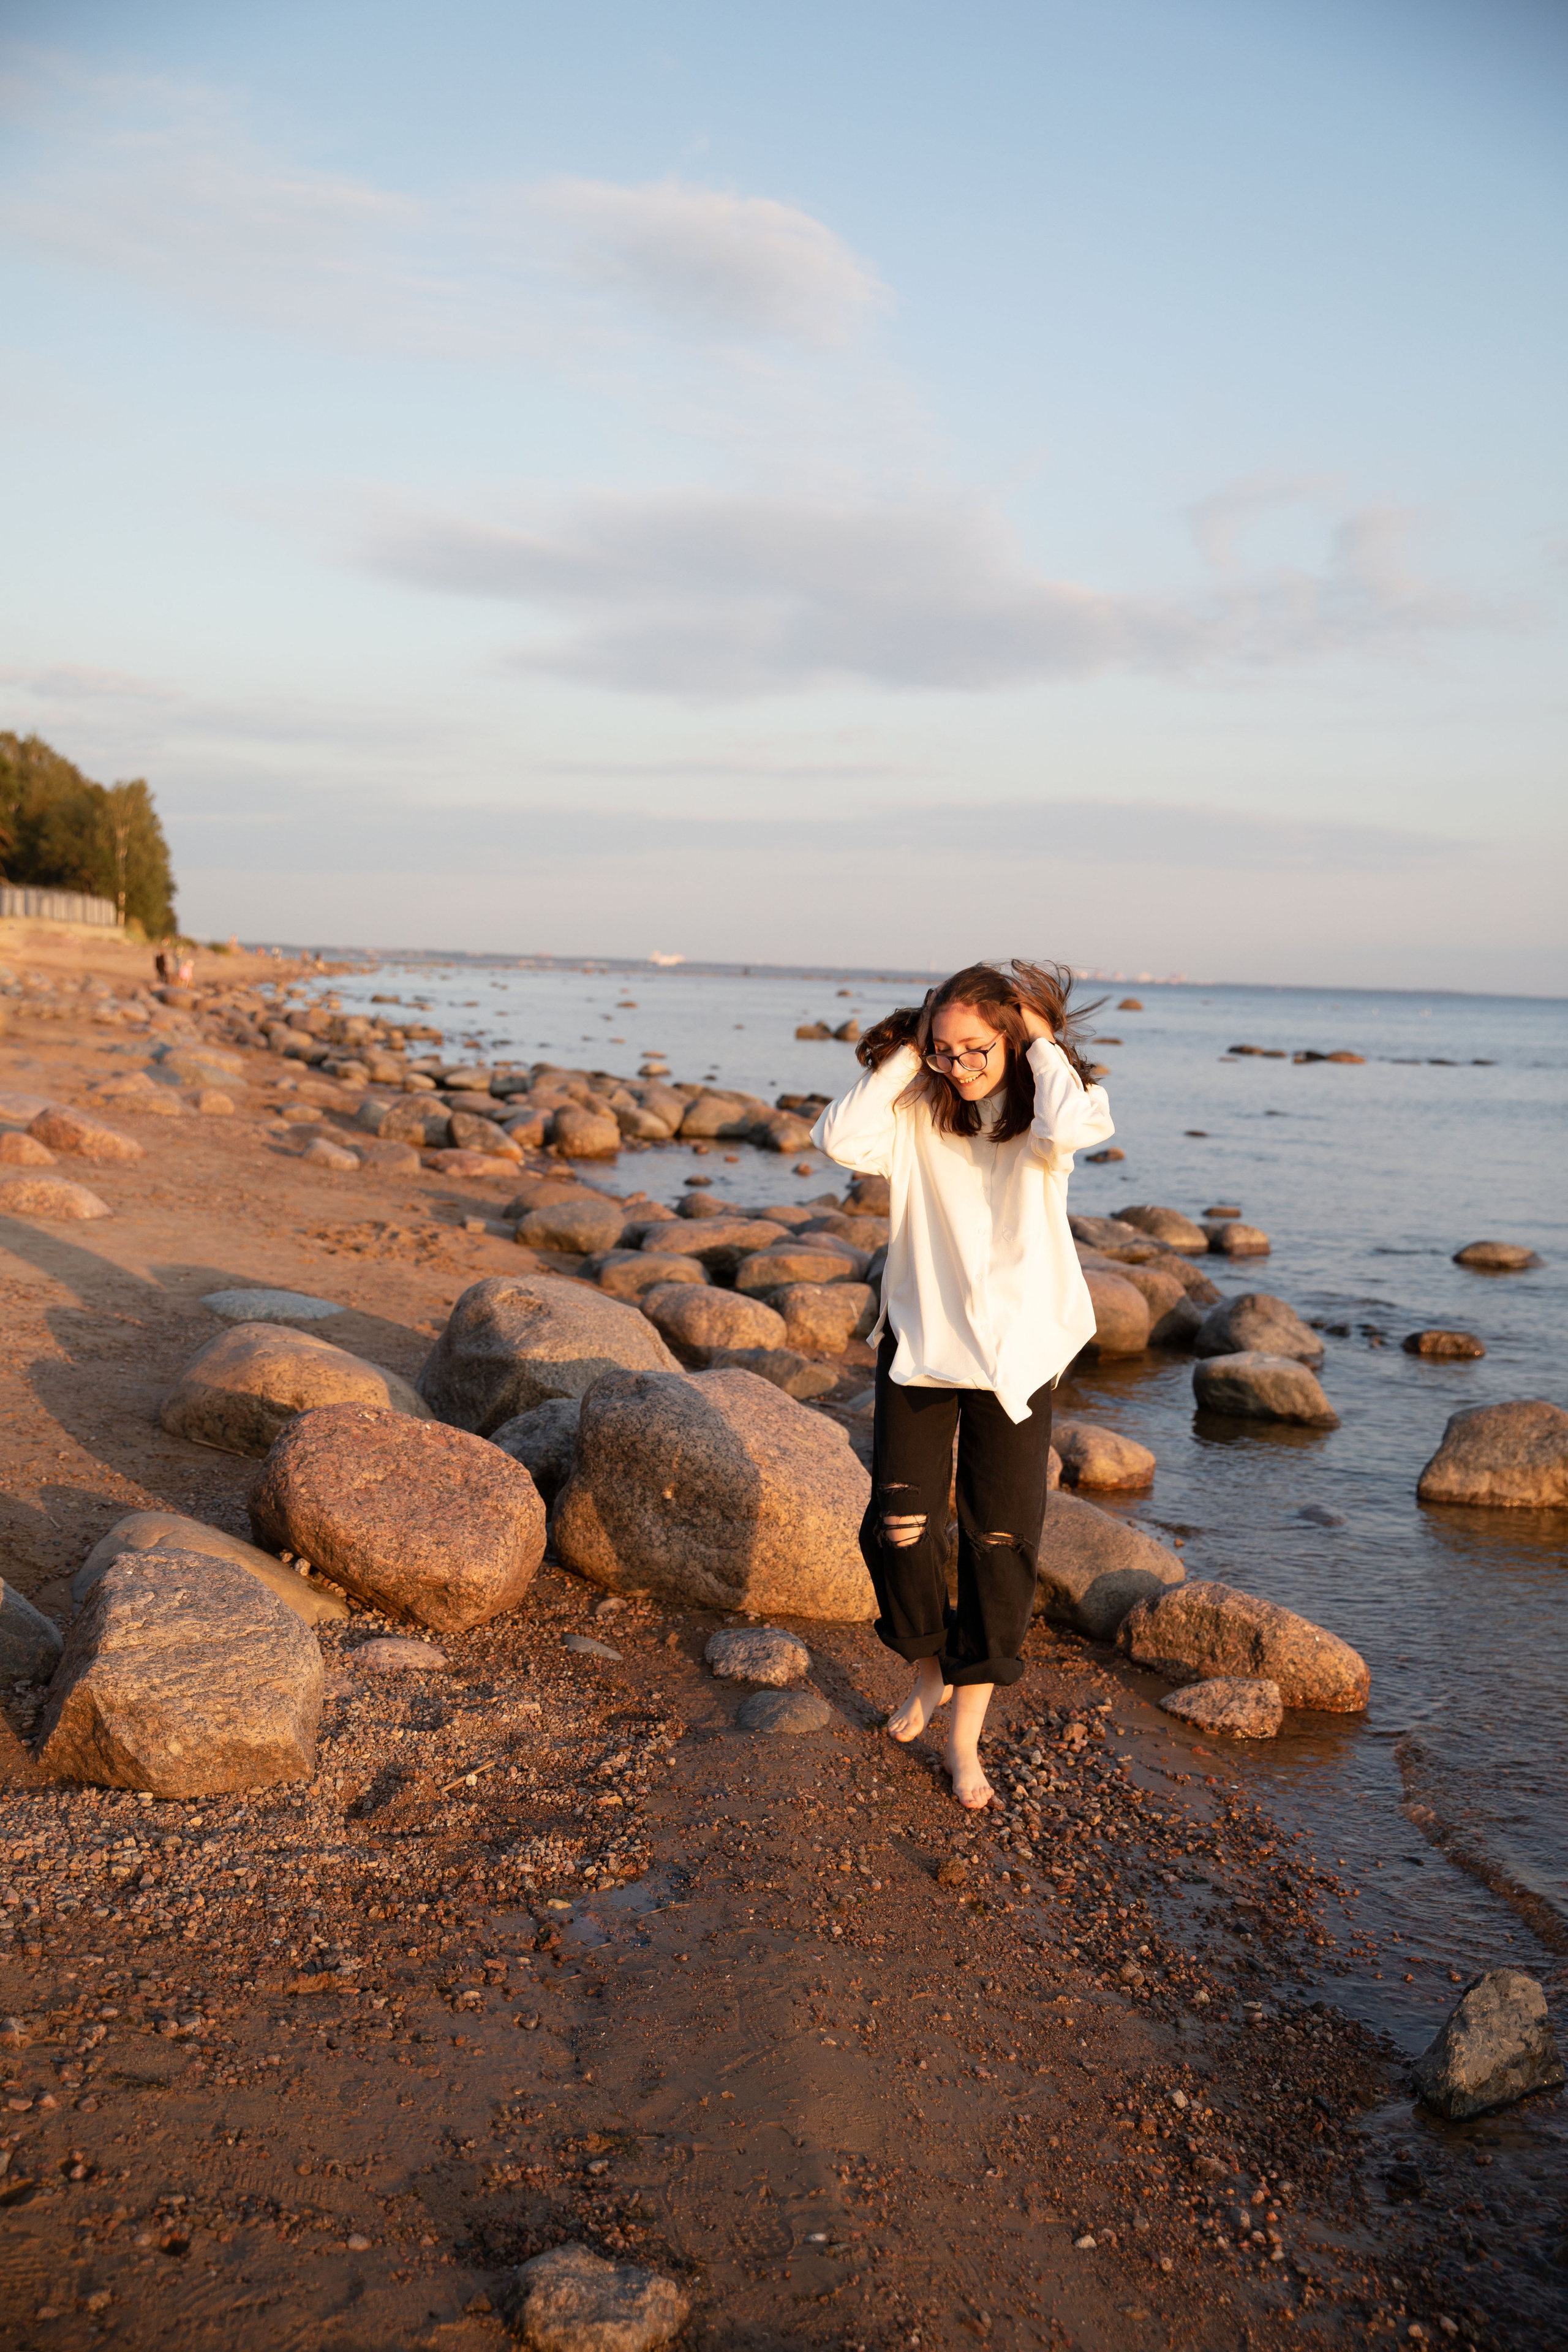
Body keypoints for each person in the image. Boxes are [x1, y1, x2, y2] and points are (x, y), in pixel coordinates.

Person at [812, 960, 1114, 1810]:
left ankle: (964, 1740)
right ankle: (926, 1671)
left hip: (1018, 1359)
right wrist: (913, 1054)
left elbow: (1078, 1122)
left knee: (999, 1546)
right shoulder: (916, 1106)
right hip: (922, 1345)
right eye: (944, 1050)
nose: (960, 1066)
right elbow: (838, 1138)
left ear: (1014, 1041)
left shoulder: (1045, 1119)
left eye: (976, 1049)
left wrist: (1043, 1045)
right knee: (900, 1530)